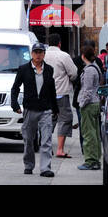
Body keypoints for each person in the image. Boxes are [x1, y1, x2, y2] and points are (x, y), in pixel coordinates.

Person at [13, 42, 57, 177]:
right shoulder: (23, 69)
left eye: (40, 52)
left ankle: (45, 168)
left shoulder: (49, 69)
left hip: (45, 109)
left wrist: (55, 108)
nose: (38, 55)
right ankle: (28, 165)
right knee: (29, 139)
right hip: (30, 109)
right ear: (31, 54)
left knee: (46, 140)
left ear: (44, 54)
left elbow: (52, 90)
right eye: (36, 52)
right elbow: (15, 88)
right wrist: (15, 105)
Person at [44, 33, 78, 158]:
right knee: (65, 119)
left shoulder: (43, 54)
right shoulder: (64, 56)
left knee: (48, 119)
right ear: (59, 43)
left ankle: (46, 146)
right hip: (60, 93)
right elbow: (73, 73)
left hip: (46, 94)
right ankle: (59, 149)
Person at [77, 44, 103, 171]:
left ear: (83, 56)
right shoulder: (96, 67)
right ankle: (96, 159)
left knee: (88, 134)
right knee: (95, 133)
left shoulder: (88, 70)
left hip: (89, 104)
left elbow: (87, 90)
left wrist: (81, 104)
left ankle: (90, 160)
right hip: (95, 102)